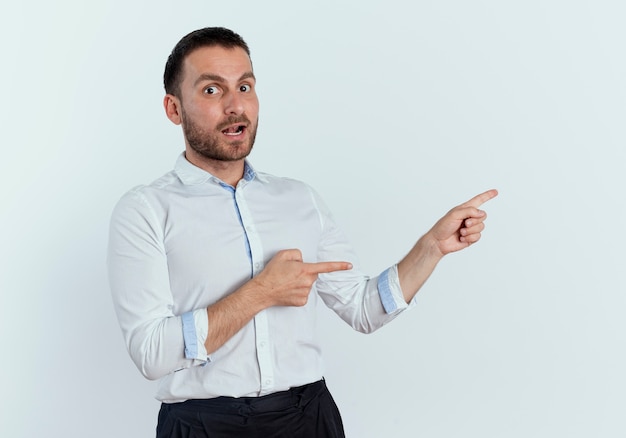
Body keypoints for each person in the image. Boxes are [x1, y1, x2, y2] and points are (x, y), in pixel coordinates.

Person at [107, 26, 498, 438]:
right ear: (174, 109)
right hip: (204, 425)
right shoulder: (145, 210)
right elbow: (150, 354)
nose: (235, 105)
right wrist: (260, 293)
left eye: (244, 86)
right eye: (211, 90)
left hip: (308, 418)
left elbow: (363, 309)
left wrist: (431, 248)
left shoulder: (299, 199)